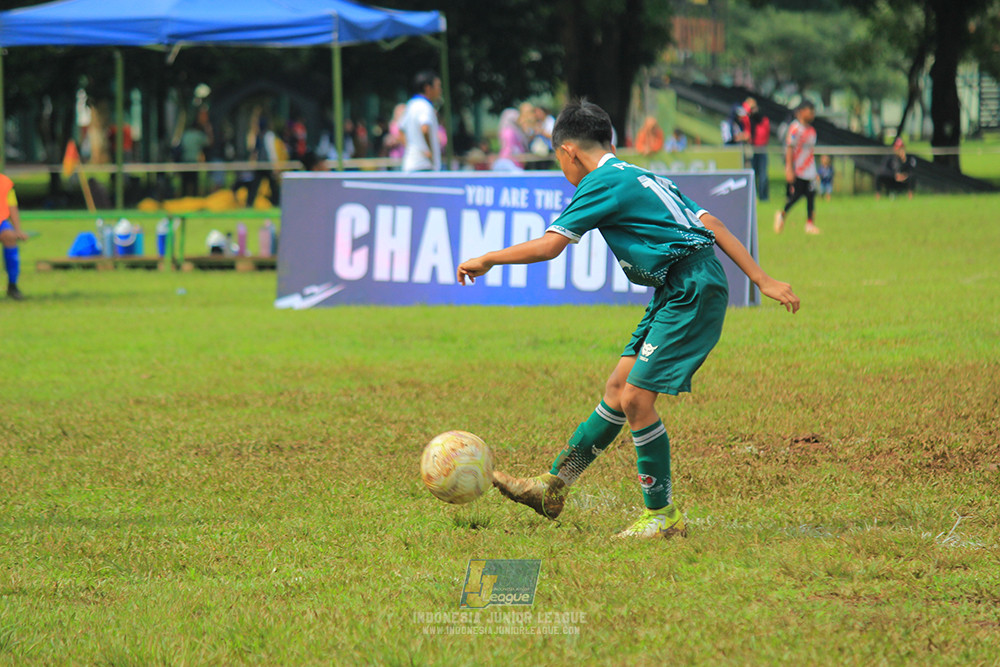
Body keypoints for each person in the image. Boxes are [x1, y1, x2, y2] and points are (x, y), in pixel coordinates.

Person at [456, 100, 800, 538]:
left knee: (637, 398)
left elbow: (549, 247)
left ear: (569, 153)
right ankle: (553, 487)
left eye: (560, 160)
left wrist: (488, 258)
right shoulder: (643, 175)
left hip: (690, 287)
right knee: (618, 388)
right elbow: (711, 221)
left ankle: (662, 516)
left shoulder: (598, 182)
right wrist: (760, 278)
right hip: (682, 285)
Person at [774, 100, 820, 235]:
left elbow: (811, 152)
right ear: (801, 112)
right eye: (809, 111)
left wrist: (815, 170)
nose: (812, 114)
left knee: (811, 195)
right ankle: (782, 213)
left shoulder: (812, 131)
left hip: (809, 169)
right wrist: (789, 168)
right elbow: (789, 148)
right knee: (797, 195)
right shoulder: (794, 129)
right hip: (798, 169)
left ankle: (810, 224)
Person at [401, 70, 443, 172]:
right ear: (428, 88)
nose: (440, 90)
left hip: (411, 164)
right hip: (424, 166)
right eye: (438, 86)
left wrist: (412, 148)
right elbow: (425, 129)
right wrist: (428, 151)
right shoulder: (425, 106)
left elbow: (400, 131)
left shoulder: (411, 104)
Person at [0, 173, 26, 300]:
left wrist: (17, 230)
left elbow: (12, 207)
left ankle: (12, 284)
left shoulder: (4, 183)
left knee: (10, 236)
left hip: (1, 222)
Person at [741, 98, 771, 201]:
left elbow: (764, 134)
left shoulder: (763, 120)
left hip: (760, 148)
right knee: (752, 173)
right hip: (752, 148)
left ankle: (763, 196)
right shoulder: (748, 119)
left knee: (762, 174)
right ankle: (753, 195)